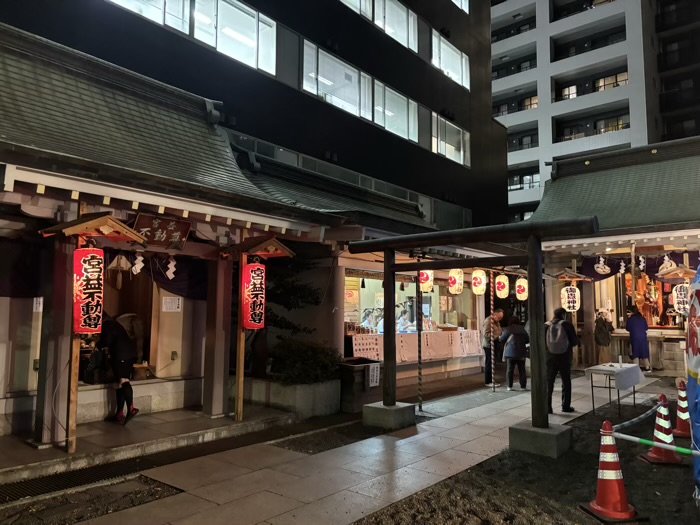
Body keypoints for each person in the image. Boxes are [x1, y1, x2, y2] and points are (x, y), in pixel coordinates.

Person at [99, 314, 139, 425]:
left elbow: (107, 340)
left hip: (122, 355)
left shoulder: (107, 324)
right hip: (126, 353)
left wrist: (98, 344)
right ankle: (119, 413)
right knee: (118, 384)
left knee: (123, 380)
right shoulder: (114, 324)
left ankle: (131, 409)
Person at [546, 307, 579, 414]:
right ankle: (565, 405)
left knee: (549, 381)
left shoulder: (546, 325)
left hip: (550, 357)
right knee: (566, 381)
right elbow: (574, 341)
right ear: (563, 315)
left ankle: (548, 407)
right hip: (565, 356)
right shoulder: (567, 325)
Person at [500, 316, 529, 391]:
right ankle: (523, 386)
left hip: (510, 352)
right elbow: (527, 339)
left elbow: (502, 339)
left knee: (510, 369)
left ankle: (509, 386)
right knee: (522, 369)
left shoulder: (508, 329)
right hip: (521, 352)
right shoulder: (522, 329)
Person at [482, 308, 504, 387]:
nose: (499, 319)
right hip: (489, 345)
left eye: (501, 318)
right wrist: (496, 337)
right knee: (489, 363)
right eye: (499, 317)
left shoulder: (497, 322)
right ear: (494, 314)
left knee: (493, 363)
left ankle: (492, 380)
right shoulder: (488, 321)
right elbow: (486, 334)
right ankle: (488, 381)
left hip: (495, 344)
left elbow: (499, 331)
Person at [626, 306, 651, 372]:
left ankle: (636, 367)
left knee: (635, 352)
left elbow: (627, 328)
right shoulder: (642, 319)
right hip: (643, 337)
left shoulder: (630, 319)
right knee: (644, 351)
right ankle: (647, 366)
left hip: (634, 337)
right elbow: (646, 328)